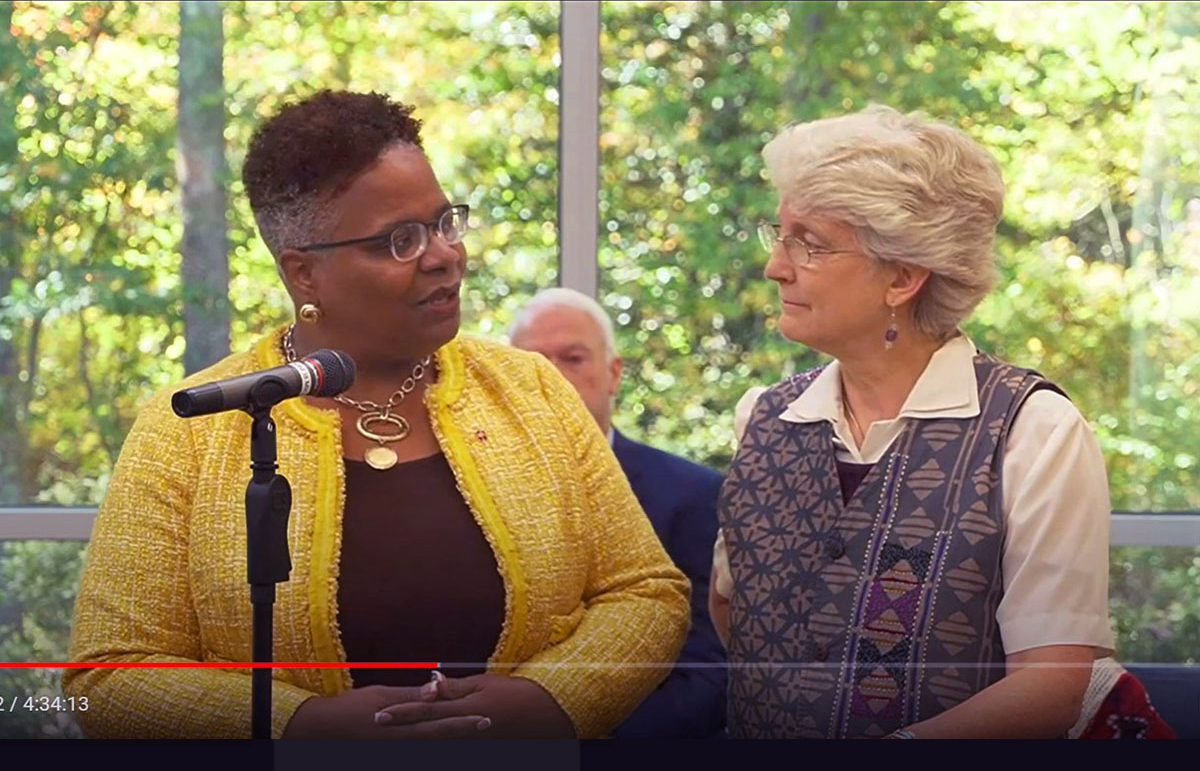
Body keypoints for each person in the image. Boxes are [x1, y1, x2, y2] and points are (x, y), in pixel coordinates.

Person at [64, 90, 689, 739]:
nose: (444, 254)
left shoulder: (532, 389)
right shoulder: (188, 430)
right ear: (303, 273)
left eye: (446, 222)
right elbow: (111, 675)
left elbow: (647, 591)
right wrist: (302, 726)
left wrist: (550, 701)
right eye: (399, 241)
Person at [709, 104, 1115, 738]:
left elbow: (1052, 684)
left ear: (902, 276)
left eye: (809, 244)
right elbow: (736, 612)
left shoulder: (1034, 431)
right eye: (779, 234)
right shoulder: (763, 416)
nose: (776, 266)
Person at [509, 288, 727, 738]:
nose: (552, 378)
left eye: (572, 358)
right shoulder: (467, 491)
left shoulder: (695, 496)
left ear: (613, 374)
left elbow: (709, 670)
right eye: (532, 364)